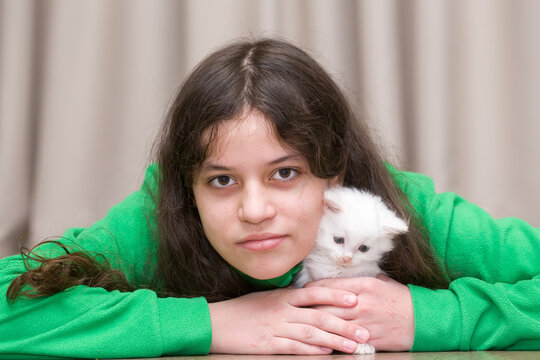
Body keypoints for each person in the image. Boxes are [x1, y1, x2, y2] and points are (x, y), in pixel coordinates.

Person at [0, 37, 539, 359]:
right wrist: (214, 324)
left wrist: (440, 317)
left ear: (333, 174)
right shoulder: (155, 223)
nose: (254, 212)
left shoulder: (404, 212)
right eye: (221, 181)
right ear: (187, 189)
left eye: (285, 173)